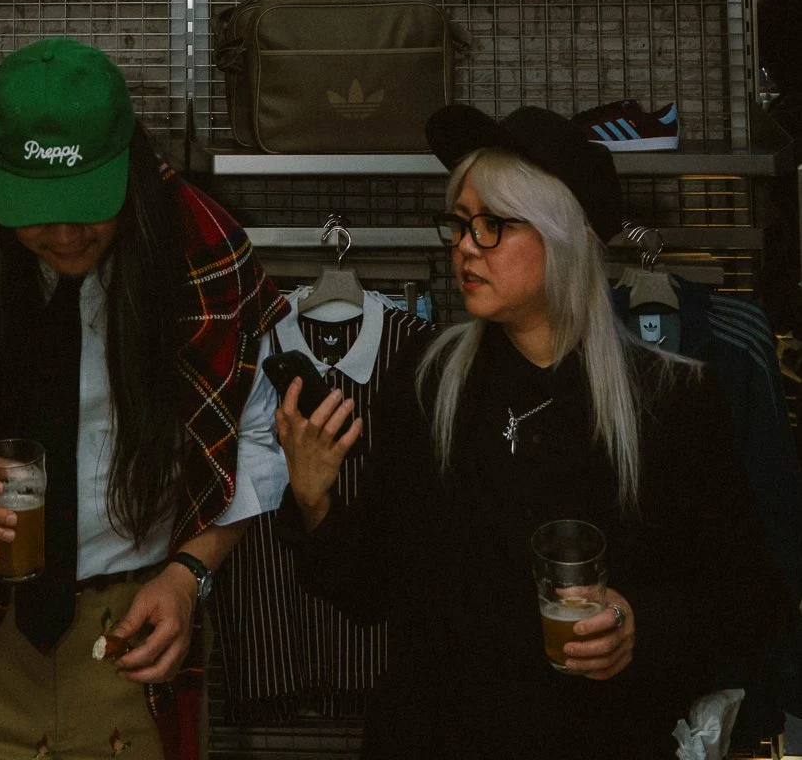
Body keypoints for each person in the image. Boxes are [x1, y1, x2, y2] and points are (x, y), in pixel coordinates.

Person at [273, 104, 791, 760]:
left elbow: (749, 600)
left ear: (564, 236)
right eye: (459, 223)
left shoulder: (672, 397)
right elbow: (372, 590)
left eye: (493, 224)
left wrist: (636, 624)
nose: (465, 246)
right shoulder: (428, 380)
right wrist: (314, 501)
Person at [0, 37, 289, 760]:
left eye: (88, 207)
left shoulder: (201, 249)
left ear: (128, 168)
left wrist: (188, 575)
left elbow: (257, 441)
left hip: (139, 621)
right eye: (41, 212)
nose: (68, 235)